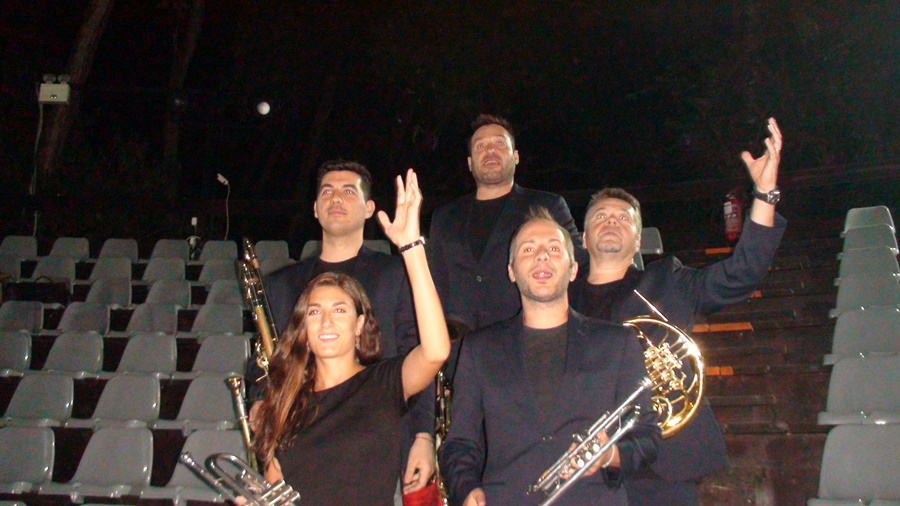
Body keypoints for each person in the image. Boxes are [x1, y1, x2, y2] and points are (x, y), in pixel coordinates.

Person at [568, 118, 787, 505]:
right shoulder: (559, 299)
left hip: (664, 467)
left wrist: (765, 194)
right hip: (584, 465)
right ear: (583, 239)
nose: (611, 222)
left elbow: (742, 274)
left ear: (638, 238)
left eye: (623, 218)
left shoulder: (668, 280)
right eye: (600, 216)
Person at [439, 208, 660, 506]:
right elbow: (460, 444)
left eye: (554, 249)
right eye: (528, 249)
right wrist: (466, 489)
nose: (542, 256)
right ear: (511, 271)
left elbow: (648, 437)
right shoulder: (478, 349)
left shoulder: (617, 342)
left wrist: (610, 454)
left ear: (573, 269)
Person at [254, 169, 450, 505]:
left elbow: (428, 351)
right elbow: (267, 360)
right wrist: (262, 404)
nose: (327, 322)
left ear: (360, 323)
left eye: (348, 191)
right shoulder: (282, 284)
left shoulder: (394, 276)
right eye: (314, 312)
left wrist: (422, 435)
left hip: (383, 430)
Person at [428, 114, 587, 337]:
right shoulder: (444, 216)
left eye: (500, 143)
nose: (490, 150)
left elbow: (577, 267)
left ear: (516, 156)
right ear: (470, 163)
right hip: (459, 342)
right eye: (481, 145)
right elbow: (434, 281)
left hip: (526, 337)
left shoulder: (548, 206)